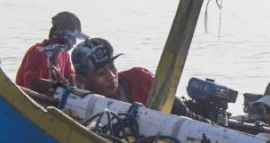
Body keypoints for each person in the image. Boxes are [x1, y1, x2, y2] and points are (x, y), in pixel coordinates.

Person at [70, 37, 198, 117]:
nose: (111, 76)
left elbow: (184, 114)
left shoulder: (140, 79)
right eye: (101, 73)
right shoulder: (77, 104)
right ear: (83, 80)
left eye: (112, 67)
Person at [15, 11, 86, 94]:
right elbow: (31, 84)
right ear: (59, 36)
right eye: (72, 38)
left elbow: (70, 75)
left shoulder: (64, 55)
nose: (74, 43)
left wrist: (78, 82)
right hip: (28, 99)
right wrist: (58, 86)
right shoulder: (37, 53)